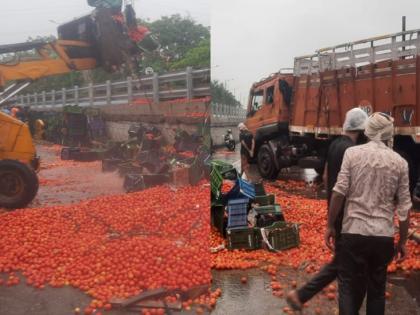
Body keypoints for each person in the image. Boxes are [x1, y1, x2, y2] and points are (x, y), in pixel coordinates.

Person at [326, 112, 412, 315]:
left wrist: (330, 224)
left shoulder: (353, 154)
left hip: (353, 233)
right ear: (389, 134)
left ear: (368, 131)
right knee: (377, 291)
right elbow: (404, 208)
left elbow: (338, 193)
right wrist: (402, 242)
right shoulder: (400, 163)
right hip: (383, 237)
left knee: (347, 286)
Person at [286, 107, 369, 310]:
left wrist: (330, 217)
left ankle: (302, 295)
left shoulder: (334, 145)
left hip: (335, 209)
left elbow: (325, 178)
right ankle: (301, 295)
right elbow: (349, 187)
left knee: (344, 261)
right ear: (361, 130)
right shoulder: (352, 150)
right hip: (347, 215)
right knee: (344, 265)